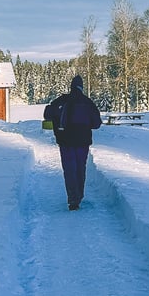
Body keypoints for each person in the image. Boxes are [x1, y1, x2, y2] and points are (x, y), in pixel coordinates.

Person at [44, 74, 102, 210]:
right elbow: (97, 123)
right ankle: (79, 196)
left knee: (69, 169)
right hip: (82, 142)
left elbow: (47, 114)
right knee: (80, 168)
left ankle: (72, 199)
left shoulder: (62, 100)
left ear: (71, 86)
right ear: (81, 87)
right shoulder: (87, 102)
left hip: (65, 141)